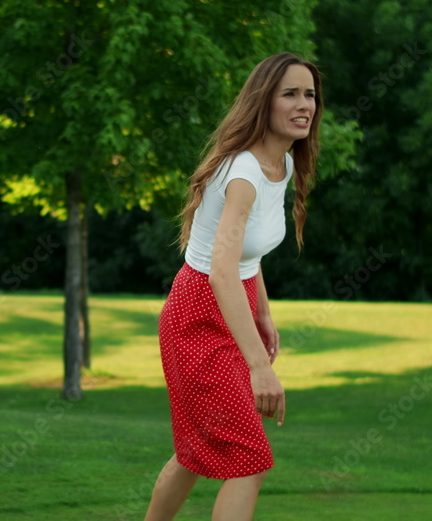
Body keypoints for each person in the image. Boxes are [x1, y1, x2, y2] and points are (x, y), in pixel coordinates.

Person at [144, 53, 322, 521]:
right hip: (198, 312)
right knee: (249, 459)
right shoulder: (242, 172)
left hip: (232, 303)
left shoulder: (279, 164)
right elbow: (221, 270)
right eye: (291, 94)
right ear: (264, 101)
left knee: (196, 452)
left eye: (310, 94)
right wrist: (259, 367)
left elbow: (246, 256)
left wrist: (262, 314)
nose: (305, 104)